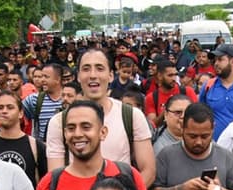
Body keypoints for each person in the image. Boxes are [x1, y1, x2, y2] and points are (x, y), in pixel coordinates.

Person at [45, 50, 156, 183]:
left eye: (99, 68)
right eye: (86, 69)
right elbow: (55, 178)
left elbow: (148, 171)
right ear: (78, 76)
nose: (93, 75)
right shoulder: (59, 122)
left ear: (110, 75)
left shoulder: (132, 116)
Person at [0, 90, 46, 187]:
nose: (4, 111)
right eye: (0, 107)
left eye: (10, 107)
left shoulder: (35, 146)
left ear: (20, 113)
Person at [202, 44, 233, 140]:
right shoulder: (208, 86)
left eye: (220, 59)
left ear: (232, 61)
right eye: (215, 60)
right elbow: (200, 114)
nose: (216, 63)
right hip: (215, 146)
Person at [144, 59, 197, 130]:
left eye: (175, 75)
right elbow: (153, 125)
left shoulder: (187, 91)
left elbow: (197, 116)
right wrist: (168, 109)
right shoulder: (151, 97)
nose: (174, 78)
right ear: (159, 76)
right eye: (170, 75)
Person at [23, 64, 65, 142]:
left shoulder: (69, 99)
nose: (42, 80)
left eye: (46, 77)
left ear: (58, 79)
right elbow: (17, 111)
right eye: (42, 76)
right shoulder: (35, 99)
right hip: (43, 150)